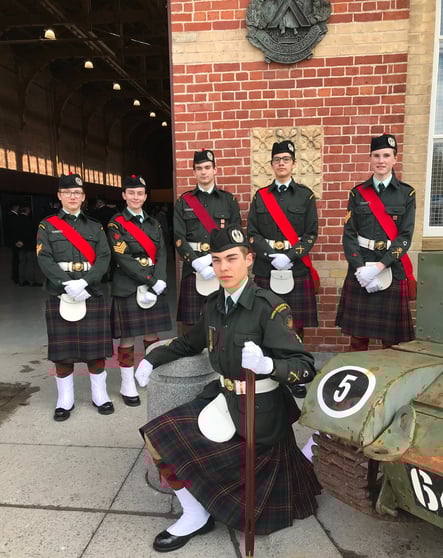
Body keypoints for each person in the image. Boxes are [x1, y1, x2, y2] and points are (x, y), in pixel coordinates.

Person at [135, 225, 321, 552]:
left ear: (248, 260)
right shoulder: (213, 305)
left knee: (256, 505)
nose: (223, 267)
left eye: (232, 258)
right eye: (217, 260)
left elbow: (304, 366)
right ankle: (196, 514)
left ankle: (312, 452)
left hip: (261, 411)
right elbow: (189, 343)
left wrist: (269, 365)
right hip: (223, 397)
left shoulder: (269, 307)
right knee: (158, 435)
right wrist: (152, 359)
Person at [36, 173, 114, 421]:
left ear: (83, 197)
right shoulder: (47, 226)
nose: (73, 196)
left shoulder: (95, 226)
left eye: (77, 193)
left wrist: (85, 282)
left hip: (90, 291)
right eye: (68, 192)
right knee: (63, 351)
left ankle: (100, 395)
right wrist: (65, 284)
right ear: (59, 195)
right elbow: (44, 258)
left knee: (96, 350)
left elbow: (104, 257)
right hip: (61, 293)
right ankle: (65, 399)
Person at [247, 139, 319, 397]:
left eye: (286, 159)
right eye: (277, 160)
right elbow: (252, 233)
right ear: (271, 165)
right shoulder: (260, 196)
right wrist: (270, 255)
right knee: (266, 322)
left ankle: (296, 374)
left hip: (295, 269)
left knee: (294, 325)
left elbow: (311, 234)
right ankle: (270, 372)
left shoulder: (305, 196)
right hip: (267, 269)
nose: (281, 163)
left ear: (293, 164)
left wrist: (289, 256)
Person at [335, 133, 416, 351]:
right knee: (358, 339)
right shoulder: (357, 193)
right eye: (376, 155)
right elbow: (349, 234)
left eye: (386, 155)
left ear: (395, 159)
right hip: (361, 269)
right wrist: (360, 268)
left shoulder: (407, 193)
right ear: (370, 158)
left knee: (391, 342)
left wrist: (380, 266)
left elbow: (405, 236)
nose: (381, 160)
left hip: (391, 267)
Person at [107, 174, 172, 407]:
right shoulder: (115, 224)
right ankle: (127, 384)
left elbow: (162, 253)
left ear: (145, 196)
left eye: (140, 193)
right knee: (127, 337)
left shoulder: (154, 224)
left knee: (152, 335)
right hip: (127, 286)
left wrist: (160, 280)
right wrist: (151, 280)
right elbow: (122, 258)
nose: (136, 197)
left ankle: (149, 375)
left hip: (153, 284)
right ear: (124, 195)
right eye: (131, 193)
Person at [174, 149, 241, 330]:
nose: (203, 172)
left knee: (224, 322)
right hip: (193, 267)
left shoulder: (229, 200)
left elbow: (236, 237)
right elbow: (178, 237)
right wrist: (196, 263)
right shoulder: (184, 201)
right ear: (194, 172)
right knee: (192, 326)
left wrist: (212, 259)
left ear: (215, 170)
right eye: (199, 168)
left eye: (207, 167)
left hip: (222, 267)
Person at [16, 206, 40, 286]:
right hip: (29, 244)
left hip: (19, 244)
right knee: (30, 263)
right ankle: (31, 280)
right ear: (28, 211)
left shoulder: (17, 219)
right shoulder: (28, 220)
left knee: (22, 263)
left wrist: (18, 241)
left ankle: (21, 280)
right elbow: (30, 233)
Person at [5, 201, 21, 284]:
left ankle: (14, 276)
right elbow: (14, 230)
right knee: (16, 259)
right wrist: (16, 241)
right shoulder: (14, 216)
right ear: (16, 207)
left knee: (15, 258)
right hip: (16, 241)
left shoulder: (9, 215)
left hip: (13, 241)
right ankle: (16, 276)